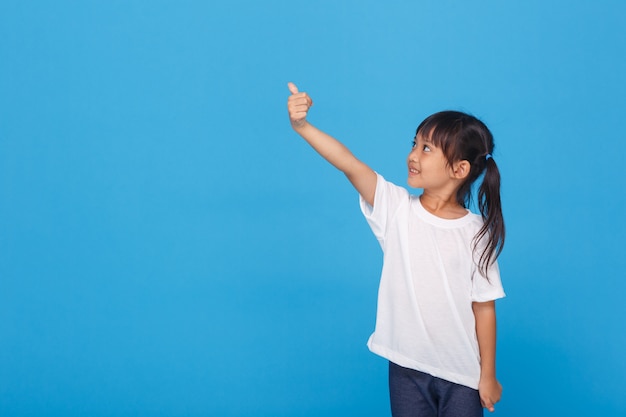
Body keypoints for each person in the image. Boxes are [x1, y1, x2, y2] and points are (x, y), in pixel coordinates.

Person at [287, 82, 506, 417]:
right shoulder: (397, 209)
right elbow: (349, 164)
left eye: (427, 149)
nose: (413, 155)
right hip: (406, 370)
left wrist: (487, 375)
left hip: (462, 375)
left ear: (460, 169)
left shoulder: (477, 233)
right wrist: (302, 126)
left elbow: (484, 309)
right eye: (414, 143)